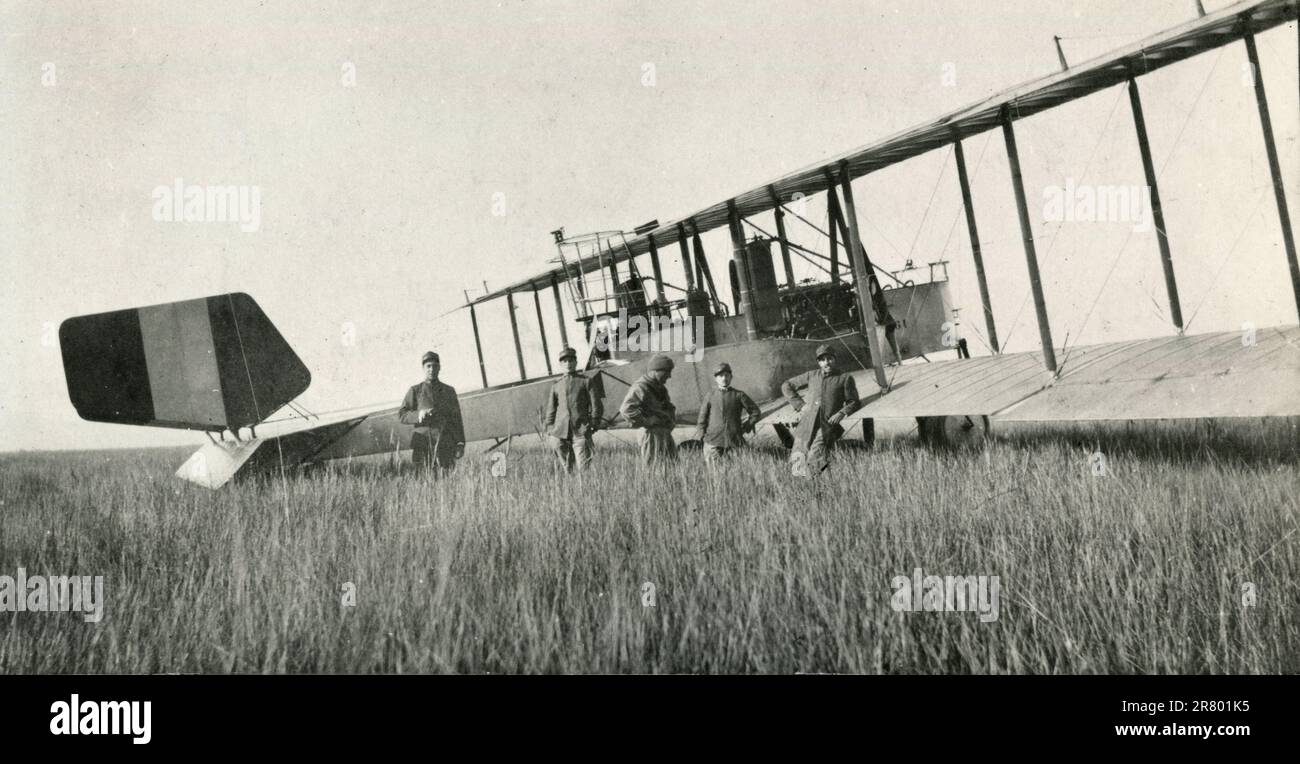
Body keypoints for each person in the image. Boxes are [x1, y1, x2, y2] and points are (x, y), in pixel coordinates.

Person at [780, 344, 859, 475]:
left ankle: (817, 481)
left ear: (835, 359)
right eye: (822, 360)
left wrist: (841, 412)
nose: (826, 363)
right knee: (798, 457)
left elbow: (854, 401)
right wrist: (801, 405)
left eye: (830, 359)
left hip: (827, 425)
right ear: (818, 362)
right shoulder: (812, 375)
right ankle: (802, 485)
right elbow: (786, 386)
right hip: (807, 423)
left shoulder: (845, 378)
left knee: (815, 456)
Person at [398, 351, 465, 475]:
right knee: (423, 481)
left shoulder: (449, 391)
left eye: (435, 366)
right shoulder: (415, 390)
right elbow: (402, 414)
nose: (432, 369)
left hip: (445, 444)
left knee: (447, 481)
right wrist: (418, 414)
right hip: (422, 445)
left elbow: (456, 418)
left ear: (439, 367)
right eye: (428, 366)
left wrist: (460, 442)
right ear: (423, 368)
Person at [543, 346, 604, 472]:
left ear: (576, 362)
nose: (568, 364)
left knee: (583, 468)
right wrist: (550, 429)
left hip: (581, 430)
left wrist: (594, 423)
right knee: (567, 469)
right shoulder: (556, 385)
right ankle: (569, 489)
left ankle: (584, 491)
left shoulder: (586, 381)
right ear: (560, 364)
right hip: (560, 432)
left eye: (571, 361)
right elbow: (551, 410)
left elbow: (596, 405)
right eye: (564, 361)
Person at [693, 362, 761, 463]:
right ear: (716, 379)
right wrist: (702, 436)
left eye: (726, 375)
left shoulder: (739, 395)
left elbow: (755, 412)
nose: (724, 378)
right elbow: (702, 419)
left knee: (740, 470)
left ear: (731, 377)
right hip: (713, 441)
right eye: (721, 376)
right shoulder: (710, 395)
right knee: (715, 473)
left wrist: (746, 427)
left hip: (735, 441)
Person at [619, 354, 678, 464]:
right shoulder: (641, 387)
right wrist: (647, 421)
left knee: (673, 466)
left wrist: (670, 420)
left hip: (664, 433)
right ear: (656, 371)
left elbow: (668, 406)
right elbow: (626, 410)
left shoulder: (660, 388)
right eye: (667, 372)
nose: (669, 376)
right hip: (651, 434)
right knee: (653, 469)